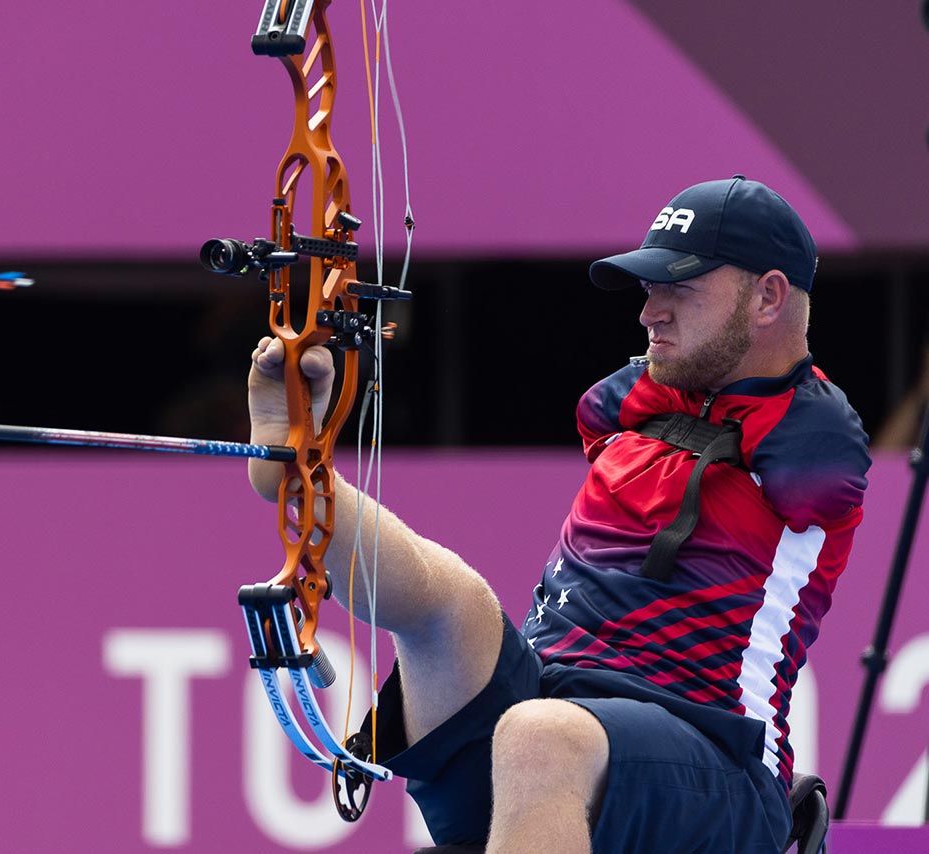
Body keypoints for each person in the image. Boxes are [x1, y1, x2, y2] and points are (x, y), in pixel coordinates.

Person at [246, 176, 870, 853]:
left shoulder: (813, 435)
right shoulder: (638, 401)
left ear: (769, 297)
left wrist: (702, 406)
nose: (649, 313)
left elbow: (816, 468)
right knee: (452, 600)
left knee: (540, 735)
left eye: (680, 288)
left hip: (715, 765)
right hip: (542, 733)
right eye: (648, 288)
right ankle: (299, 466)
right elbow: (605, 409)